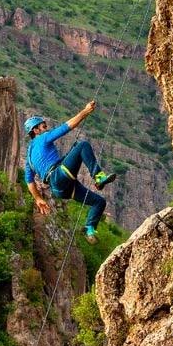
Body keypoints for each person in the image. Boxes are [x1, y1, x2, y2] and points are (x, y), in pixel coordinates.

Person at [23, 101, 116, 244]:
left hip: (60, 190)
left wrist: (38, 199)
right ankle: (99, 177)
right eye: (43, 126)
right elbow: (68, 126)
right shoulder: (42, 138)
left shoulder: (29, 157)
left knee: (99, 202)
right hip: (58, 176)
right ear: (36, 130)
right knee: (83, 145)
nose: (46, 128)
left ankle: (89, 229)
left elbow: (29, 181)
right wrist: (86, 111)